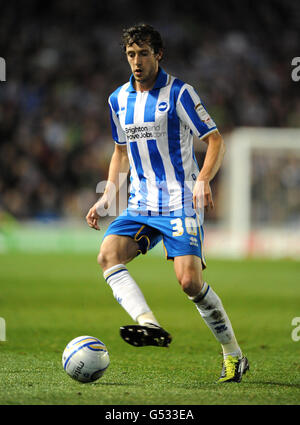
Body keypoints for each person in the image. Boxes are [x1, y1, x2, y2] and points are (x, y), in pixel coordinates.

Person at [86, 23, 249, 383]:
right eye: (131, 54)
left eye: (144, 53)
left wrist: (203, 180)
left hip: (179, 200)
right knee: (107, 255)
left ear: (158, 54)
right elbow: (120, 152)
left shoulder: (179, 93)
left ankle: (233, 354)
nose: (137, 61)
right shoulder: (118, 100)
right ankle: (148, 324)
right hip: (142, 201)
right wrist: (108, 196)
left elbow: (216, 140)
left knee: (190, 282)